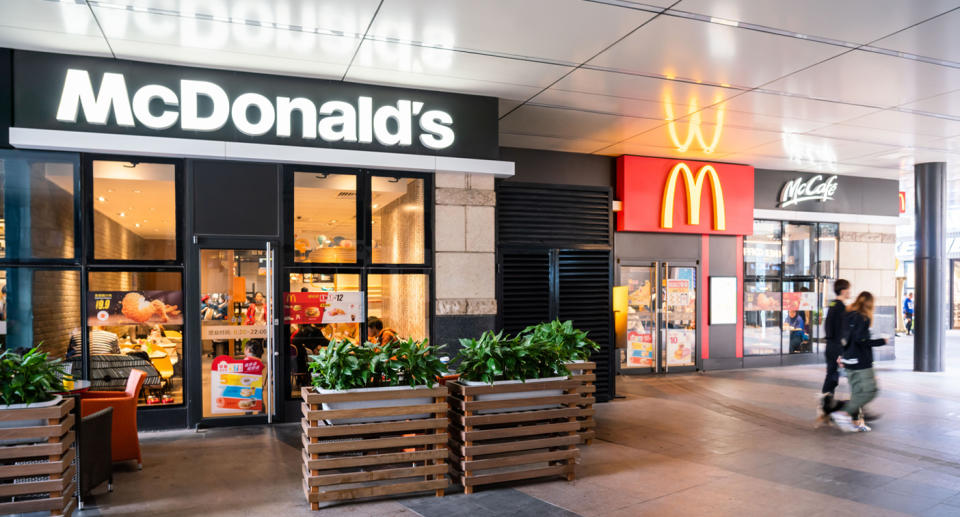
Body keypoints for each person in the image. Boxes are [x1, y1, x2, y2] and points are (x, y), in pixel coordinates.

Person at [832, 291, 888, 433]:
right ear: (870, 304)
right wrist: (882, 341)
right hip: (861, 362)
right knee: (871, 391)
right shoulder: (863, 318)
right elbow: (861, 340)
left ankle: (857, 422)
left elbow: (842, 337)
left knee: (856, 393)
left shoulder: (848, 315)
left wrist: (841, 355)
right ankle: (844, 413)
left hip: (848, 360)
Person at [819, 279, 850, 417]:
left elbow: (828, 327)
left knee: (831, 375)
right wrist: (842, 351)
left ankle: (826, 403)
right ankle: (827, 405)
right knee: (833, 376)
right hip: (837, 347)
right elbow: (843, 331)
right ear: (843, 290)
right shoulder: (841, 307)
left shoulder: (832, 304)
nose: (850, 291)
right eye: (848, 289)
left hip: (830, 345)